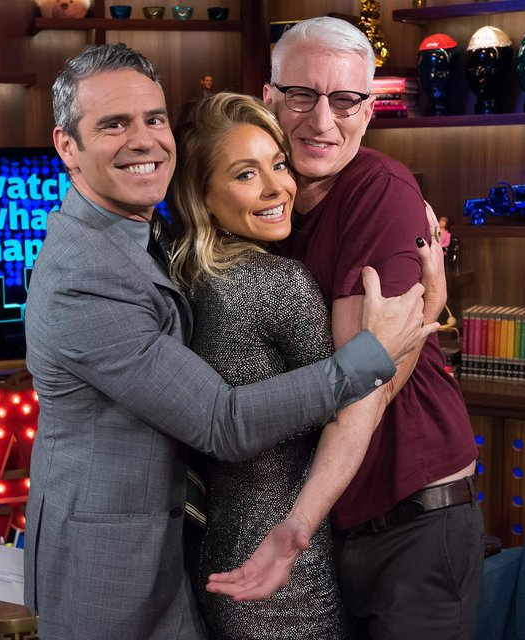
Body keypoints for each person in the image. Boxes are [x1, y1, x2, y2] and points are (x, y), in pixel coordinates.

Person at [23, 42, 437, 640]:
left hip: (192, 555)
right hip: (109, 567)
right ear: (68, 146)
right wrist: (396, 336)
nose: (143, 140)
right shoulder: (84, 276)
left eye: (154, 119)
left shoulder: (156, 244)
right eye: (114, 124)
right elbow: (223, 421)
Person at [208, 17, 484, 640]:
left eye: (345, 100)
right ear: (269, 96)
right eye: (302, 95)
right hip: (337, 526)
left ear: (369, 110)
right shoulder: (272, 207)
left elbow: (366, 387)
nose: (322, 120)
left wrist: (296, 526)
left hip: (412, 523)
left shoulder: (380, 192)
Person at [168, 93, 441, 639]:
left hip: (220, 555)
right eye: (246, 174)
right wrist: (430, 304)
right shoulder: (279, 283)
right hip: (284, 575)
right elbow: (359, 396)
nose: (277, 187)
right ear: (203, 197)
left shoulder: (192, 281)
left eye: (278, 164)